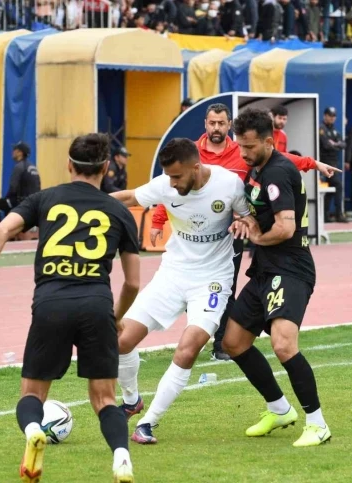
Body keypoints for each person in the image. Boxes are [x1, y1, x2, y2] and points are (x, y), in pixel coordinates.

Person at [0, 133, 140, 483]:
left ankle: (34, 430)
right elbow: (132, 283)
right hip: (97, 305)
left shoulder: (45, 199)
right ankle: (121, 457)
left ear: (69, 165)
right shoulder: (119, 211)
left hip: (51, 302)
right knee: (105, 399)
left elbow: (2, 231)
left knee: (33, 394)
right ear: (105, 167)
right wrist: (115, 318)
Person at [148, 103, 339, 361]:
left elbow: (281, 158)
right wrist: (157, 221)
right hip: (194, 235)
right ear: (205, 124)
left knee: (226, 286)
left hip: (230, 231)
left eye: (221, 123)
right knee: (189, 285)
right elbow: (171, 187)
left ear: (229, 125)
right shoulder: (191, 154)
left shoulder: (242, 152)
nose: (216, 128)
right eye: (212, 123)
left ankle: (220, 344)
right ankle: (196, 332)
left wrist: (312, 164)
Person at [111, 138, 251, 445]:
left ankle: (148, 423)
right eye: (169, 177)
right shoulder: (166, 184)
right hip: (172, 275)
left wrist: (244, 222)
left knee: (188, 348)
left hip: (213, 280)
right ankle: (132, 401)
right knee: (120, 340)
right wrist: (85, 201)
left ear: (196, 167)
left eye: (177, 176)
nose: (172, 184)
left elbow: (248, 215)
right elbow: (130, 196)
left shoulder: (229, 184)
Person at [223, 108, 330, 447]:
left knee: (283, 344)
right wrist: (247, 221)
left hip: (290, 268)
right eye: (240, 146)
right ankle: (279, 409)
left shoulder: (278, 173)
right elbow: (260, 214)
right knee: (234, 342)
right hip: (266, 268)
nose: (243, 153)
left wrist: (255, 236)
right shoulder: (259, 168)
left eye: (249, 147)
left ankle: (318, 424)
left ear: (269, 142)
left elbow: (284, 228)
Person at [0, 142, 40, 227]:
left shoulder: (19, 166)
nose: (13, 152)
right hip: (33, 203)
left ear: (20, 153)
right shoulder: (32, 167)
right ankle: (10, 230)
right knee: (7, 204)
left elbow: (13, 188)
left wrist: (7, 199)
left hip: (21, 202)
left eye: (15, 150)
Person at [320, 106, 349, 223]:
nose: (332, 118)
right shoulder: (321, 129)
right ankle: (338, 214)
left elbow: (343, 144)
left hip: (333, 163)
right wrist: (336, 144)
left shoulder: (335, 130)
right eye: (329, 115)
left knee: (330, 190)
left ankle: (326, 215)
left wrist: (335, 144)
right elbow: (326, 145)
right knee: (337, 186)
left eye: (333, 116)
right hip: (324, 163)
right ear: (325, 116)